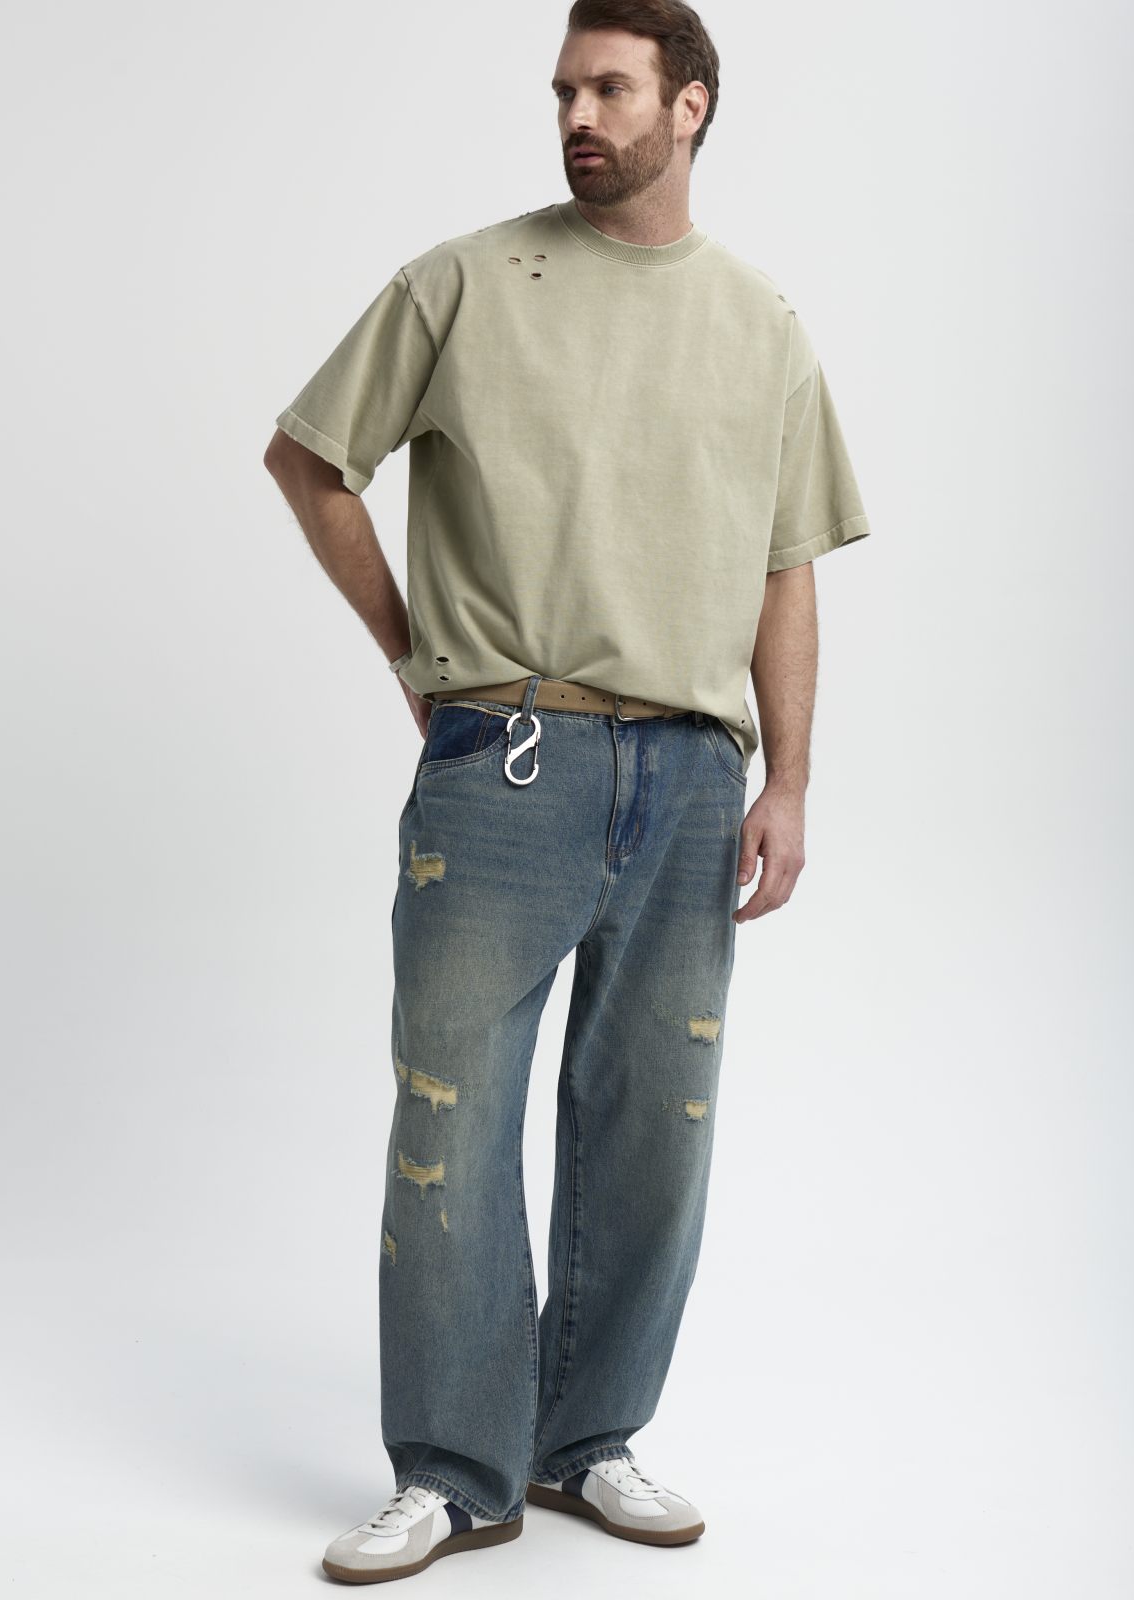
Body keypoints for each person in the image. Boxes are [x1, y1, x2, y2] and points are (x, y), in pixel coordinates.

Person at [265, 0, 870, 1584]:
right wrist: (417, 658)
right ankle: (453, 1469)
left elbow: (786, 568)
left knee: (654, 1126)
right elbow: (310, 458)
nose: (576, 117)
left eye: (609, 88)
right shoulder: (465, 283)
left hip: (694, 776)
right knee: (451, 1120)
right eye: (563, 91)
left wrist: (791, 780)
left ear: (693, 105)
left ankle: (586, 1439)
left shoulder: (761, 324)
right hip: (508, 759)